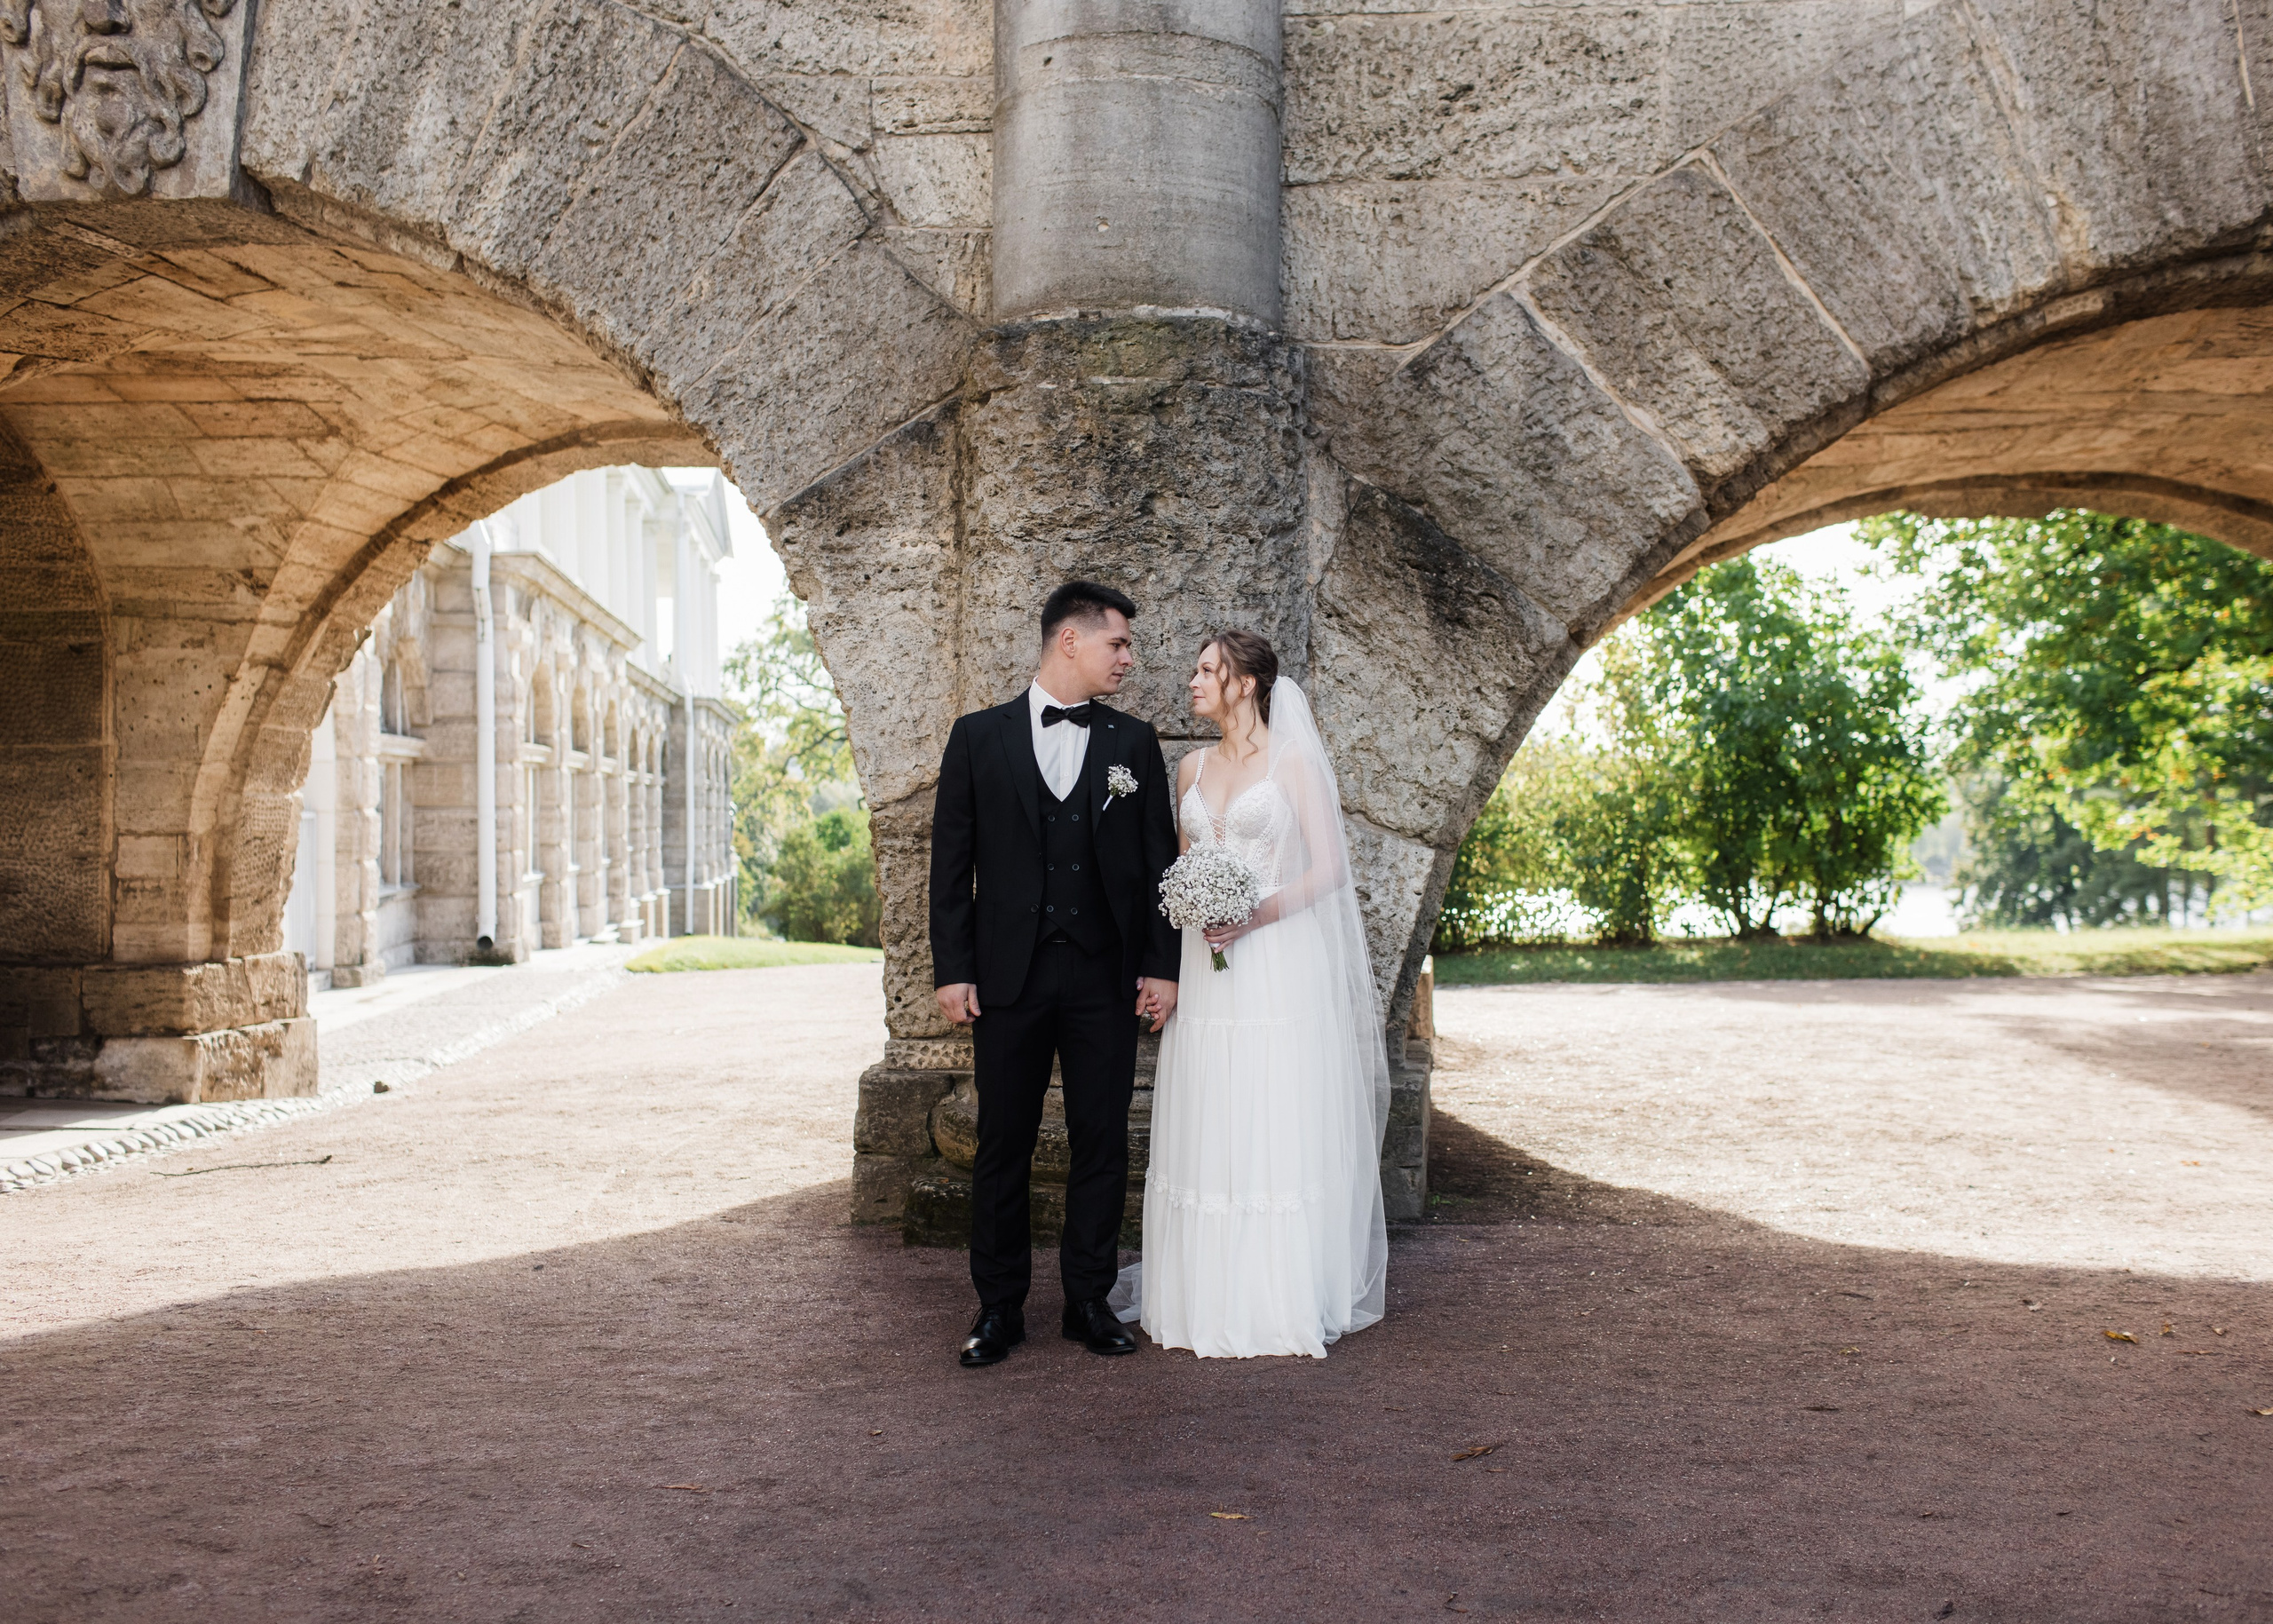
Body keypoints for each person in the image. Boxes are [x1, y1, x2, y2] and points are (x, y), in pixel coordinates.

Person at [928, 581, 1183, 1368]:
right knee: (1002, 1140)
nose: (1128, 659)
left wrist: (1162, 966)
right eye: (1118, 643)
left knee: (1100, 1139)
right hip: (1008, 978)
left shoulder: (1133, 741)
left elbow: (1157, 864)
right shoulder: (978, 736)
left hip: (1105, 978)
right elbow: (951, 866)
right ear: (1069, 639)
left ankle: (1088, 1300)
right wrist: (953, 969)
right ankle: (998, 1307)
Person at [1114, 630, 1390, 1358]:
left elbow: (1329, 868)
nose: (1194, 679)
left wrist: (1253, 915)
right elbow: (1181, 874)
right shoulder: (1190, 768)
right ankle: (1203, 1293)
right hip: (1204, 963)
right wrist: (1173, 968)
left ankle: (1273, 1296)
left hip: (1272, 958)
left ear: (1245, 683)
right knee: (1210, 1108)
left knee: (1267, 1108)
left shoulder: (1292, 762)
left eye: (1209, 669)